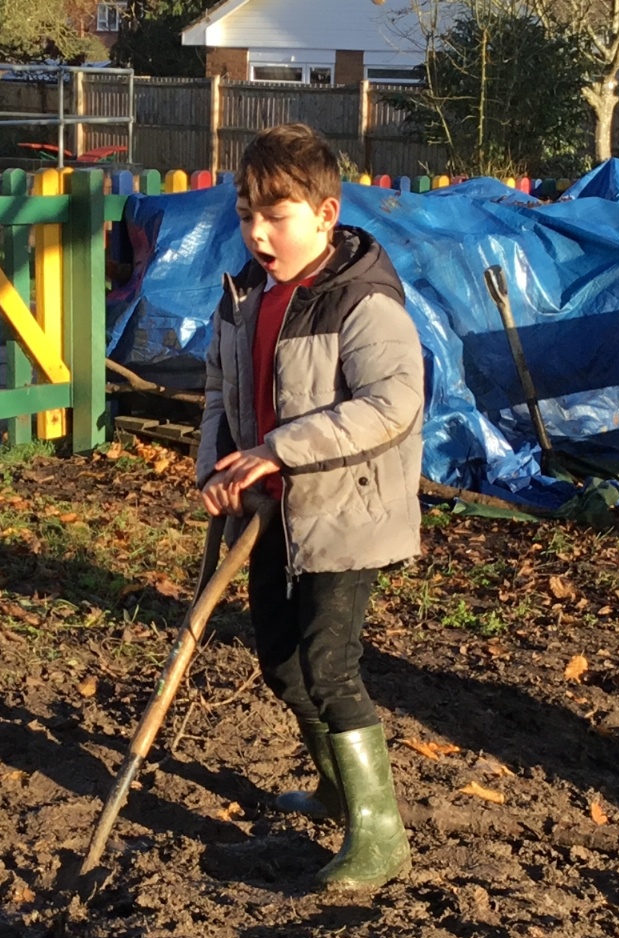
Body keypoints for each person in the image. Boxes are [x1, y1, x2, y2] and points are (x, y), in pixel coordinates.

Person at [197, 123, 425, 892]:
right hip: (270, 516)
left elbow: (394, 403)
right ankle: (336, 788)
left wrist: (280, 449)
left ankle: (380, 834)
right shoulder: (242, 301)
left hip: (345, 515)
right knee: (282, 666)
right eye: (246, 216)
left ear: (326, 214)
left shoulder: (361, 299)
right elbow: (218, 395)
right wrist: (216, 471)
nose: (258, 234)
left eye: (277, 216)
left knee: (328, 665)